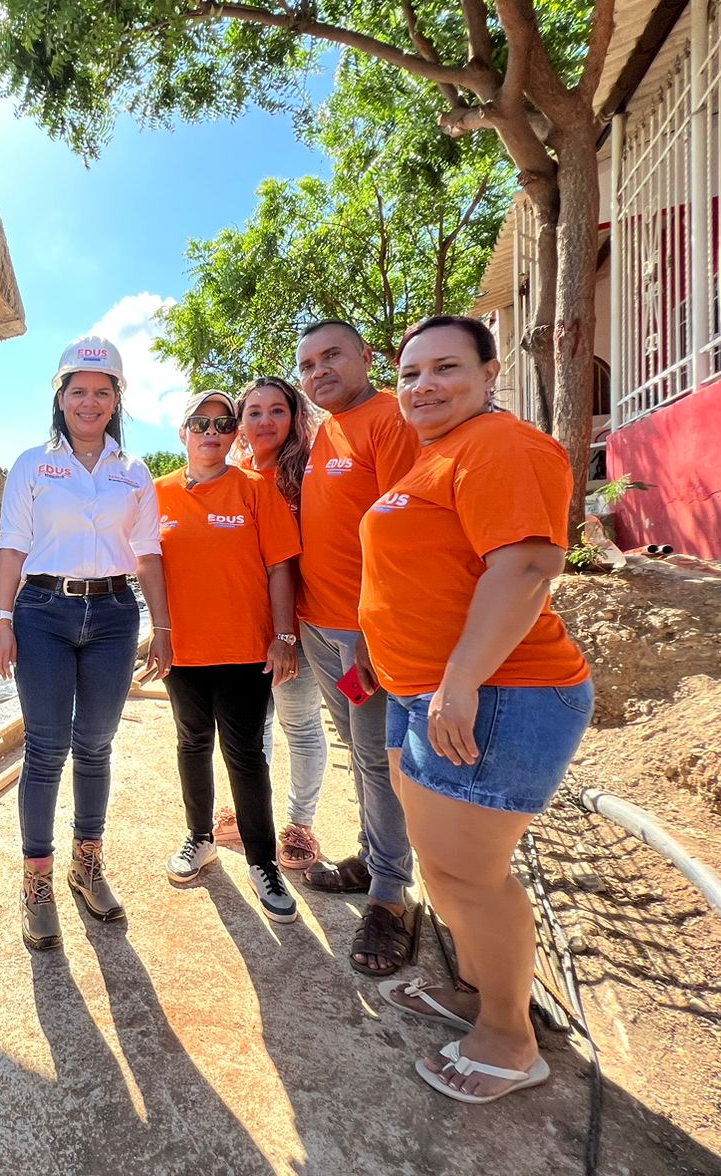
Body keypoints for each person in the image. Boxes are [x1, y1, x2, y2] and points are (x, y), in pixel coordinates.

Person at [360, 315, 594, 1103]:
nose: (423, 385)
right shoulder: (443, 455)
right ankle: (478, 992)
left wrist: (460, 681)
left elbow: (527, 565)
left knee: (469, 876)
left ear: (491, 372)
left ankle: (507, 1037)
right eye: (411, 374)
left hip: (496, 693)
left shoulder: (503, 446)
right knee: (448, 869)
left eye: (445, 368)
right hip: (425, 692)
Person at [0, 334, 173, 951]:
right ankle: (36, 880)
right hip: (42, 611)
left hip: (116, 615)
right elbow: (13, 545)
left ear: (117, 398)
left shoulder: (134, 471)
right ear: (61, 397)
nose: (89, 402)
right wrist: (2, 619)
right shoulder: (31, 465)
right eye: (78, 391)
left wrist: (164, 627)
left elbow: (148, 554)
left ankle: (86, 863)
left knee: (95, 744)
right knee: (46, 749)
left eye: (102, 391)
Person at [294, 320, 422, 977]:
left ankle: (393, 898)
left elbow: (406, 531)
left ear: (366, 357)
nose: (318, 372)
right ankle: (375, 859)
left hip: (362, 634)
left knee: (377, 759)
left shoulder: (387, 421)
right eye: (307, 364)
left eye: (331, 356)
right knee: (360, 753)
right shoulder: (326, 432)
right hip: (320, 626)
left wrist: (375, 630)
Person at [153, 389, 301, 922]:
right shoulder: (157, 494)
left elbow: (281, 566)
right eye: (200, 423)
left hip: (244, 649)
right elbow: (143, 568)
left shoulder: (256, 490)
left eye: (222, 424)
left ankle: (263, 863)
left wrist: (284, 636)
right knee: (192, 743)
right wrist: (157, 630)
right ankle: (199, 838)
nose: (211, 433)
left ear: (234, 434)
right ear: (183, 433)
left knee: (243, 754)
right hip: (184, 650)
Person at [233, 375, 330, 872]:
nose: (265, 421)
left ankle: (300, 823)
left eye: (277, 410)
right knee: (254, 726)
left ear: (294, 416)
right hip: (247, 625)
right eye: (254, 412)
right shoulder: (234, 476)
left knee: (300, 723)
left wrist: (286, 634)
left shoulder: (309, 473)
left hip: (300, 622)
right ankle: (256, 814)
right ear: (241, 424)